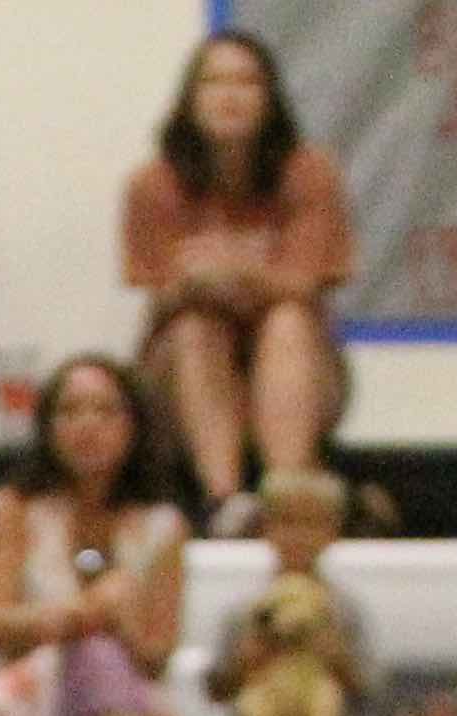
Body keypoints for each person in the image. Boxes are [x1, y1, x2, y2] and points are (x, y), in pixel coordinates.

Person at [0, 355, 218, 716]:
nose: (88, 426)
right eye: (71, 411)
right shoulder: (16, 508)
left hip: (127, 701)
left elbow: (157, 655)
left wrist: (121, 623)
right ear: (48, 427)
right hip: (29, 697)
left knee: (104, 660)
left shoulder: (164, 526)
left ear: (134, 427)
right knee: (93, 654)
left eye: (106, 412)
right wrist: (80, 615)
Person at [122, 25, 347, 532]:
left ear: (270, 99)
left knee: (288, 319)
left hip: (301, 361)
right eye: (214, 83)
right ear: (190, 99)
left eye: (246, 83)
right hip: (179, 364)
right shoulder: (152, 185)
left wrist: (232, 274)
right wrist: (215, 285)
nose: (230, 96)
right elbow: (161, 296)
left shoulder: (310, 173)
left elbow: (307, 287)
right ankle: (226, 503)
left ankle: (287, 494)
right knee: (197, 322)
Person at [217, 467, 372, 716]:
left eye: (312, 525)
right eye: (285, 523)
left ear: (333, 531)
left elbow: (369, 689)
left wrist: (335, 656)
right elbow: (218, 686)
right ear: (265, 529)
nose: (298, 536)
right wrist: (248, 659)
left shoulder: (345, 610)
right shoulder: (246, 611)